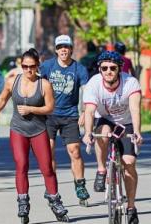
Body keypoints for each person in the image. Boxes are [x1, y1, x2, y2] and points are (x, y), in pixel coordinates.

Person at [0, 48, 69, 222]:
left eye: (32, 66)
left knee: (47, 167)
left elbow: (50, 108)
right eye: (25, 66)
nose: (28, 70)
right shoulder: (12, 81)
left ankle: (54, 199)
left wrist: (31, 109)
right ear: (20, 65)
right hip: (18, 129)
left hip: (38, 130)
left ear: (38, 66)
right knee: (21, 165)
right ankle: (23, 201)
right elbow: (2, 98)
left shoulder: (44, 84)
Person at [82, 51, 143, 224]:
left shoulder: (130, 82)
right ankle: (101, 170)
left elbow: (135, 109)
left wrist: (137, 131)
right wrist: (87, 133)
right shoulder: (93, 83)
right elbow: (90, 111)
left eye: (113, 68)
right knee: (102, 132)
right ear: (99, 69)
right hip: (105, 119)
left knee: (129, 163)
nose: (108, 71)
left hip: (127, 123)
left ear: (119, 69)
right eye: (104, 68)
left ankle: (131, 208)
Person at [40, 35, 90, 205]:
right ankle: (51, 188)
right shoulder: (47, 66)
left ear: (71, 49)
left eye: (66, 47)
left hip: (70, 115)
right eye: (60, 47)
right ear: (56, 50)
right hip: (49, 115)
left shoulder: (79, 69)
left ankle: (80, 185)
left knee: (75, 150)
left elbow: (85, 91)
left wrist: (84, 111)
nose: (63, 50)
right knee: (49, 151)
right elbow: (36, 85)